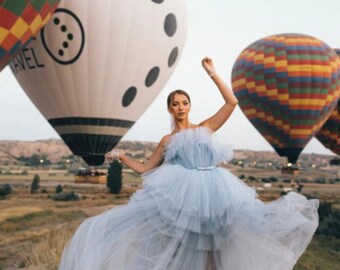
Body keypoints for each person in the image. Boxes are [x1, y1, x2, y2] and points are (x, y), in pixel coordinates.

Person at [59, 57, 319, 270]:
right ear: (170, 109)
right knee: (186, 245)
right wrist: (122, 157)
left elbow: (232, 103)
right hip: (183, 195)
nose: (180, 107)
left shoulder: (205, 128)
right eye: (175, 104)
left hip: (216, 192)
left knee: (219, 244)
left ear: (190, 106)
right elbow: (145, 169)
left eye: (184, 103)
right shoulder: (167, 140)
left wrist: (213, 73)